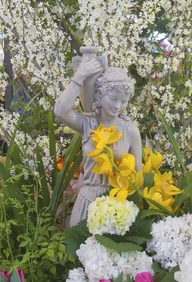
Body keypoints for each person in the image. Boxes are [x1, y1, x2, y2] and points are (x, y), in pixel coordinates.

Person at [54, 58, 142, 227]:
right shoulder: (88, 125)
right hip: (86, 202)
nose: (118, 106)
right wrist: (79, 76)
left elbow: (138, 179)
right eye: (113, 98)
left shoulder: (130, 131)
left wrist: (134, 214)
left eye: (123, 102)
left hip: (117, 205)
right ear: (100, 96)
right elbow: (60, 111)